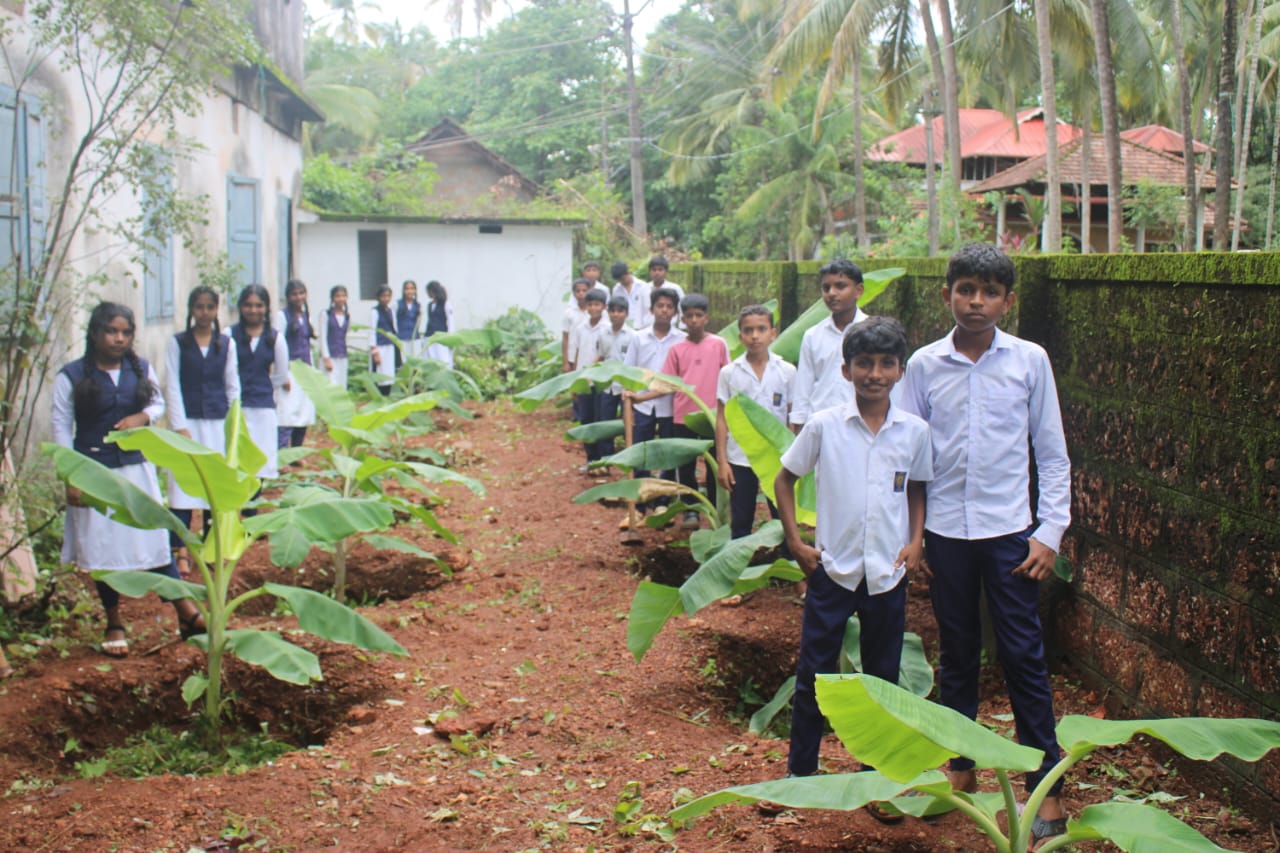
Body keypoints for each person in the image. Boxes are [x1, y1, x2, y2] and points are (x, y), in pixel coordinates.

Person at [898, 242, 1071, 848]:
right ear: (946, 294)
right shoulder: (922, 366)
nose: (976, 302)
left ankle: (1045, 780)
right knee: (958, 653)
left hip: (1011, 537)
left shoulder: (1030, 361)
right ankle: (961, 768)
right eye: (965, 289)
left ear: (1007, 300)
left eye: (989, 292)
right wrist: (912, 537)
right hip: (945, 533)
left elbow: (1051, 453)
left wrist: (1049, 532)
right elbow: (907, 457)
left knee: (1023, 653)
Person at [775, 316, 931, 821]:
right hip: (833, 571)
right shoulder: (825, 426)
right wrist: (796, 541)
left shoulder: (914, 432)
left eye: (886, 364)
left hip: (887, 573)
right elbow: (784, 479)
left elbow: (917, 489)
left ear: (900, 371)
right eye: (864, 363)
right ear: (846, 370)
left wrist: (915, 542)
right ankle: (799, 778)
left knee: (883, 682)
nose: (875, 373)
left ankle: (875, 786)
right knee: (814, 676)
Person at [53, 302, 206, 655]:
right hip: (95, 473)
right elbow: (61, 429)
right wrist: (71, 477)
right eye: (111, 331)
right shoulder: (71, 377)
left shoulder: (141, 370)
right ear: (94, 334)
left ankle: (186, 612)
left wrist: (142, 417)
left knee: (153, 541)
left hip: (136, 469)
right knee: (103, 550)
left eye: (125, 332)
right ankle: (113, 621)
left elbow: (157, 405)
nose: (118, 339)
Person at [163, 285, 239, 578]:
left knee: (212, 489)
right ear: (191, 310)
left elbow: (232, 386)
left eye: (210, 307)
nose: (204, 313)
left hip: (218, 423)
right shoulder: (178, 343)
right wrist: (179, 426)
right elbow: (173, 386)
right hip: (188, 423)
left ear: (216, 309)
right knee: (181, 489)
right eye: (199, 307)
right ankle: (181, 551)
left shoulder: (225, 344)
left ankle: (210, 547)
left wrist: (235, 424)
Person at [715, 305, 795, 539]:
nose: (755, 336)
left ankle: (786, 566)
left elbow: (792, 417)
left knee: (783, 517)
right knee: (741, 519)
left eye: (761, 329)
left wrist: (793, 457)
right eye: (748, 330)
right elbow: (722, 419)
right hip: (740, 457)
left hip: (777, 457)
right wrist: (722, 461)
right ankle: (741, 569)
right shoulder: (729, 373)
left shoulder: (787, 371)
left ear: (773, 333)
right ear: (740, 336)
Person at [659, 293, 729, 528]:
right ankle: (691, 510)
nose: (694, 320)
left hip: (711, 415)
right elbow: (668, 381)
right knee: (686, 466)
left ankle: (714, 506)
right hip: (684, 414)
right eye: (689, 316)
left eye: (699, 315)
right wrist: (639, 397)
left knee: (714, 464)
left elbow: (728, 377)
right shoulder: (676, 349)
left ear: (707, 317)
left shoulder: (718, 344)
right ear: (683, 319)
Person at [621, 287, 685, 524]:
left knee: (667, 454)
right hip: (642, 404)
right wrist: (628, 396)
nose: (664, 310)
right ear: (652, 309)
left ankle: (662, 503)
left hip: (670, 405)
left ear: (675, 312)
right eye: (660, 306)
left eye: (669, 307)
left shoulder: (681, 340)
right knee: (641, 453)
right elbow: (630, 370)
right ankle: (639, 504)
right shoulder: (639, 338)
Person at [790, 259, 869, 431]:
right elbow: (804, 385)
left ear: (858, 290)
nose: (832, 293)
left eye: (840, 286)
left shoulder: (872, 333)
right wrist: (798, 425)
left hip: (861, 424)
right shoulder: (813, 335)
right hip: (819, 424)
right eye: (826, 288)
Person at [229, 285, 288, 479]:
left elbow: (280, 374)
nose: (253, 310)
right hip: (237, 406)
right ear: (240, 307)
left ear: (266, 308)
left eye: (258, 305)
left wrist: (264, 388)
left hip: (263, 406)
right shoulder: (229, 335)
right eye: (248, 305)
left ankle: (253, 508)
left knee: (261, 459)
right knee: (236, 458)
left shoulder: (275, 338)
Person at [568, 288, 609, 471]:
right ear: (586, 307)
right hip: (584, 381)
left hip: (602, 382)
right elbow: (576, 355)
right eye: (590, 304)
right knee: (587, 420)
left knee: (602, 421)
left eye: (597, 305)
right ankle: (591, 460)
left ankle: (604, 461)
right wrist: (575, 381)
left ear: (604, 307)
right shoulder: (580, 329)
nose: (593, 308)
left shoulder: (608, 329)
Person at [594, 295, 637, 462]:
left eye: (620, 311)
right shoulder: (603, 334)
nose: (616, 314)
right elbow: (601, 357)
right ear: (608, 312)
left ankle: (629, 456)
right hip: (608, 385)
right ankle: (607, 458)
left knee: (629, 423)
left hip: (625, 386)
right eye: (612, 311)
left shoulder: (633, 335)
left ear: (626, 313)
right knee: (606, 423)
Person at [276, 279, 317, 449]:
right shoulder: (282, 316)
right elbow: (278, 345)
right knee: (287, 412)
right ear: (288, 297)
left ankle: (297, 450)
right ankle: (282, 452)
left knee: (304, 411)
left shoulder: (306, 315)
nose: (298, 297)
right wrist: (282, 374)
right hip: (290, 370)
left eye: (301, 293)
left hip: (306, 369)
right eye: (294, 294)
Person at [318, 284, 350, 388]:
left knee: (341, 385)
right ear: (332, 298)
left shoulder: (347, 316)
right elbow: (322, 337)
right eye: (338, 296)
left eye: (343, 296)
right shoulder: (325, 314)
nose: (341, 299)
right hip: (330, 356)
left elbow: (345, 336)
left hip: (342, 355)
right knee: (330, 385)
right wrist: (326, 358)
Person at [370, 283, 398, 396]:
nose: (386, 298)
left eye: (388, 296)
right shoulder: (374, 312)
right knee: (379, 373)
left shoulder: (391, 311)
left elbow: (395, 329)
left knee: (388, 374)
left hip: (389, 346)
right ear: (378, 297)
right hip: (379, 346)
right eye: (383, 296)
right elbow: (372, 331)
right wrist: (374, 351)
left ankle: (387, 395)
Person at [561, 278, 592, 374]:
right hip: (572, 357)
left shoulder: (595, 312)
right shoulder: (569, 313)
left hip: (590, 356)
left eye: (584, 291)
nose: (581, 293)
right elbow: (565, 338)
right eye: (578, 291)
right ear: (574, 293)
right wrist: (565, 362)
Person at [646, 255, 685, 327]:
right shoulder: (644, 288)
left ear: (666, 271)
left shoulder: (675, 288)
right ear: (649, 271)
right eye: (654, 270)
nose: (657, 273)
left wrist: (682, 326)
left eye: (660, 270)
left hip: (671, 327)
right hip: (649, 328)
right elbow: (640, 311)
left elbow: (682, 309)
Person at [611, 260, 650, 330]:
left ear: (628, 273)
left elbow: (648, 307)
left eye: (623, 278)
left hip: (643, 325)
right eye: (619, 279)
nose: (621, 281)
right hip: (625, 326)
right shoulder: (616, 290)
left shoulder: (643, 286)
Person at [424, 280, 454, 367]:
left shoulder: (446, 304)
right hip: (430, 335)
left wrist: (450, 336)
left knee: (442, 358)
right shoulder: (429, 305)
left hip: (441, 336)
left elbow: (450, 321)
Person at [396, 279, 423, 360]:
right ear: (403, 291)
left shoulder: (418, 305)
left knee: (416, 360)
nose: (409, 291)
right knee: (404, 361)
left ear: (415, 291)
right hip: (402, 338)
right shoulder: (397, 304)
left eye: (412, 289)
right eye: (407, 289)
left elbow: (419, 322)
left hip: (414, 338)